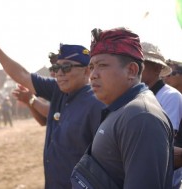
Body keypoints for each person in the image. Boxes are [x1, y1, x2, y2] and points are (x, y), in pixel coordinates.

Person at [0, 32, 105, 189]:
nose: (59, 73)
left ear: (87, 71)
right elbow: (22, 75)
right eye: (56, 68)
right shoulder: (58, 89)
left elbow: (107, 162)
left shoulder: (97, 103)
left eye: (66, 67)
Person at [72, 27, 174, 188]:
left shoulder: (140, 116)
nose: (93, 75)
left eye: (102, 65)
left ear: (131, 70)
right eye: (91, 67)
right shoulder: (123, 109)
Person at [141, 42, 182, 189]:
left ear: (157, 68)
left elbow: (165, 139)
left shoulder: (171, 96)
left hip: (163, 178)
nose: (135, 67)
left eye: (142, 62)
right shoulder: (141, 93)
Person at [12, 52, 57, 126]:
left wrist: (31, 99)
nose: (52, 73)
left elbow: (53, 113)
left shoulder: (74, 92)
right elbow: (43, 121)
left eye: (56, 68)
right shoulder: (55, 90)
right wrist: (28, 101)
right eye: (52, 69)